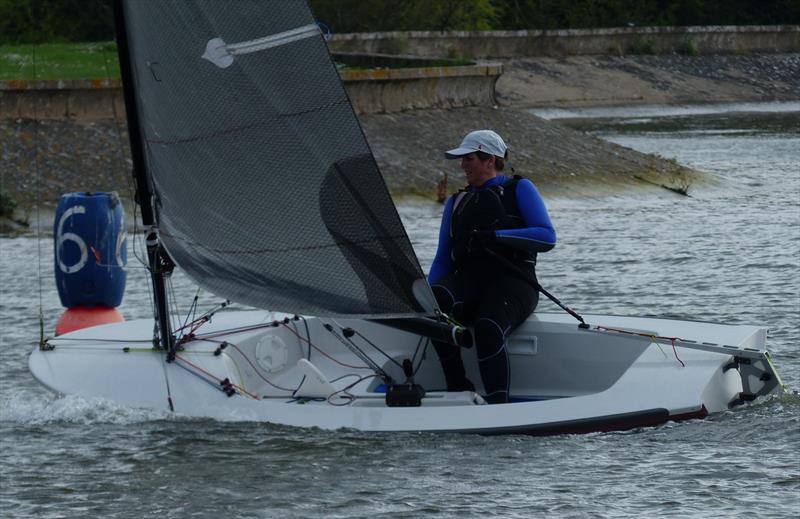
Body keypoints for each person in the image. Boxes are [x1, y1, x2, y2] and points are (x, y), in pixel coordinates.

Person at [428, 129, 556, 404]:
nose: (462, 165)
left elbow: (547, 237)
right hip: (470, 283)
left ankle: (498, 404)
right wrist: (425, 297)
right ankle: (458, 388)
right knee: (434, 305)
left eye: (469, 158)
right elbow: (442, 259)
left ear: (490, 160)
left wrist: (494, 236)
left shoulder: (520, 189)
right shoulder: (456, 201)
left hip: (514, 283)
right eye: (462, 159)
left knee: (488, 326)